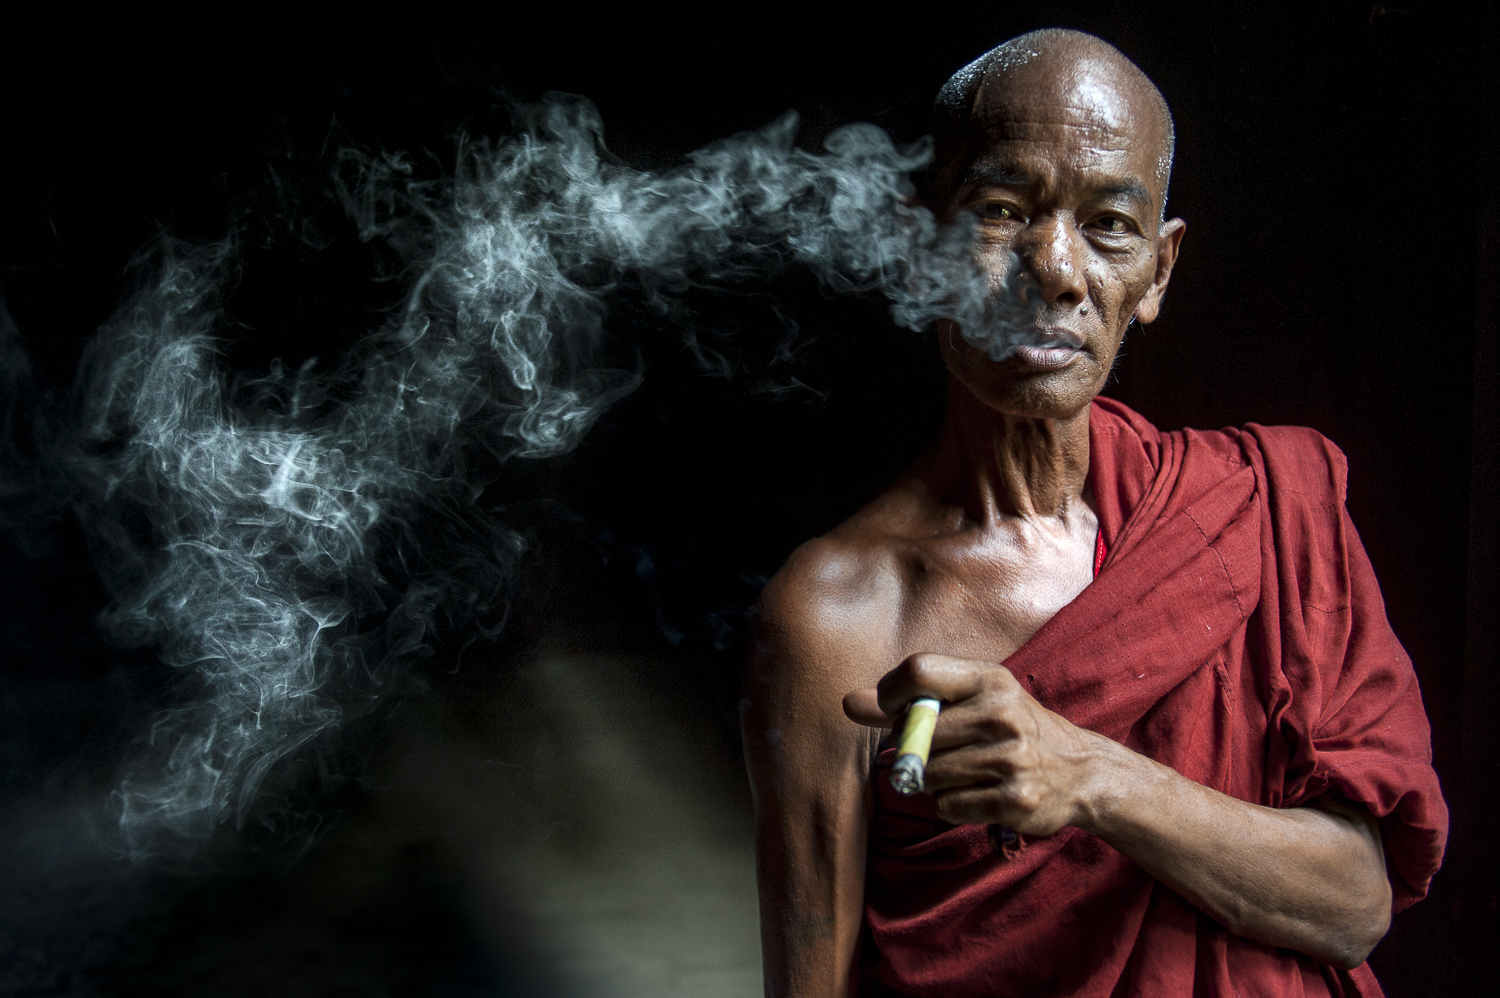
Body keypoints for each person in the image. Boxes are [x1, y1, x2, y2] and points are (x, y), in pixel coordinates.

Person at [741, 28, 1448, 998]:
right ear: (918, 248)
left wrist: (1093, 777)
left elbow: (1357, 900)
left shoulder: (1263, 510)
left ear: (1157, 272)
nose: (1059, 270)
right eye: (1000, 211)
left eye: (1109, 225)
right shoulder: (839, 616)